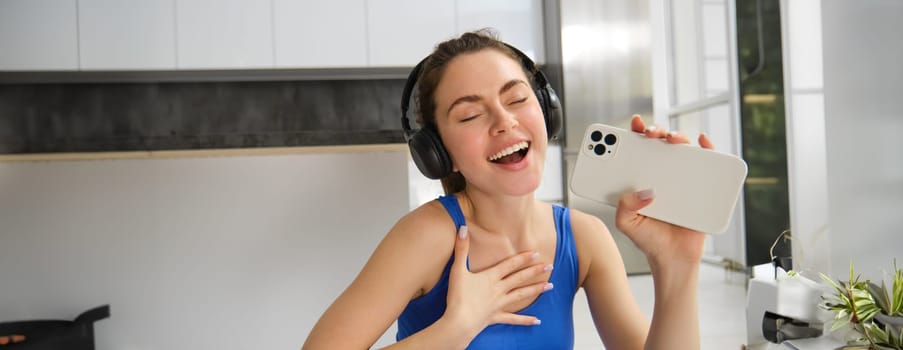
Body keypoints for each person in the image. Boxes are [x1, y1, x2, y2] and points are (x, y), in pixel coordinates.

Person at [302, 29, 714, 349]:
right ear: (440, 154)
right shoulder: (428, 237)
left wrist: (678, 266)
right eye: (469, 115)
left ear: (545, 113)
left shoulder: (584, 238)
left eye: (516, 99)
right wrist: (454, 330)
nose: (504, 122)